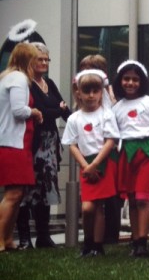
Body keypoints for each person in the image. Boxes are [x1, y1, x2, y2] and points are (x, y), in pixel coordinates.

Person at [16, 42, 71, 249]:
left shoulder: (50, 83)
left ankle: (43, 236)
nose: (45, 63)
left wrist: (60, 111)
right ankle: (24, 238)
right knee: (28, 190)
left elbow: (64, 110)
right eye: (40, 59)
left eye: (47, 59)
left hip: (50, 145)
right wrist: (55, 109)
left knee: (47, 189)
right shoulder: (26, 84)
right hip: (32, 144)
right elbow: (38, 111)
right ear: (30, 60)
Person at [61, 69, 120, 257]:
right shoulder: (74, 118)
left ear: (101, 92)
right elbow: (72, 144)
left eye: (96, 91)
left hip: (103, 162)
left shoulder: (106, 115)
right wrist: (86, 166)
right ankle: (87, 242)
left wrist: (95, 164)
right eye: (87, 91)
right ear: (78, 92)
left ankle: (97, 245)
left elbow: (110, 141)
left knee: (99, 207)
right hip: (85, 164)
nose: (91, 95)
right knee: (87, 208)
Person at [112, 60, 149, 258]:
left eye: (135, 79)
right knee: (132, 198)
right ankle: (136, 239)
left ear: (142, 82)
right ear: (120, 81)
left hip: (147, 151)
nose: (130, 83)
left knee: (143, 198)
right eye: (126, 79)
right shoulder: (117, 108)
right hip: (126, 153)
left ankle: (143, 242)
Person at [0, 43, 43, 252]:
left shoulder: (8, 77)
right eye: (36, 59)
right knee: (13, 194)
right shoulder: (18, 79)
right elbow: (18, 110)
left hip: (17, 142)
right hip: (13, 143)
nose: (39, 63)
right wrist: (34, 112)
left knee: (17, 194)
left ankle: (7, 239)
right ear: (28, 60)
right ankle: (1, 239)